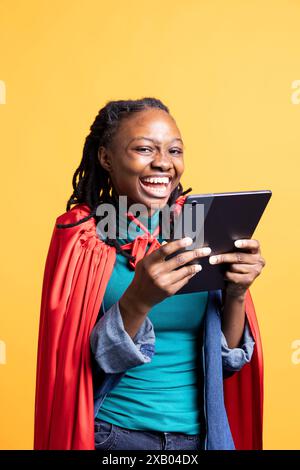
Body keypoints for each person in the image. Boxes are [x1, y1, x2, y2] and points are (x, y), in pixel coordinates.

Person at [34, 98, 265, 451]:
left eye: (174, 150)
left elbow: (226, 366)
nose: (163, 163)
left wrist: (235, 293)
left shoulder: (200, 227)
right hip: (114, 436)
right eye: (144, 148)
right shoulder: (83, 237)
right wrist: (138, 301)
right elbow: (75, 369)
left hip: (202, 438)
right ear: (106, 158)